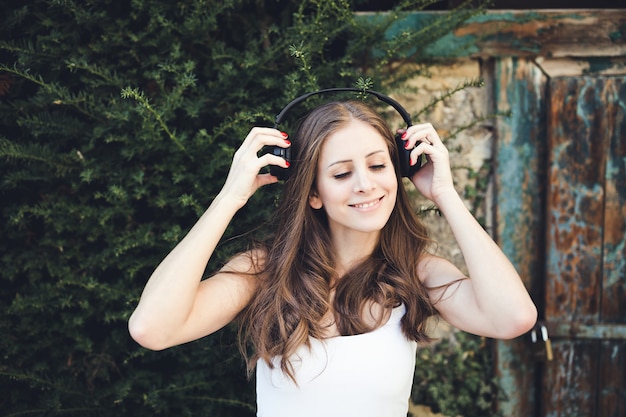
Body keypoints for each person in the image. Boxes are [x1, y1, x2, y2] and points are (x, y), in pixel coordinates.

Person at [128, 100, 537, 417]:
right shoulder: (263, 272)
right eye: (341, 174)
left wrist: (445, 195)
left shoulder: (418, 273)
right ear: (313, 193)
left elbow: (512, 318)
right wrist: (230, 198)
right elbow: (153, 328)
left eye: (378, 165)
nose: (366, 185)